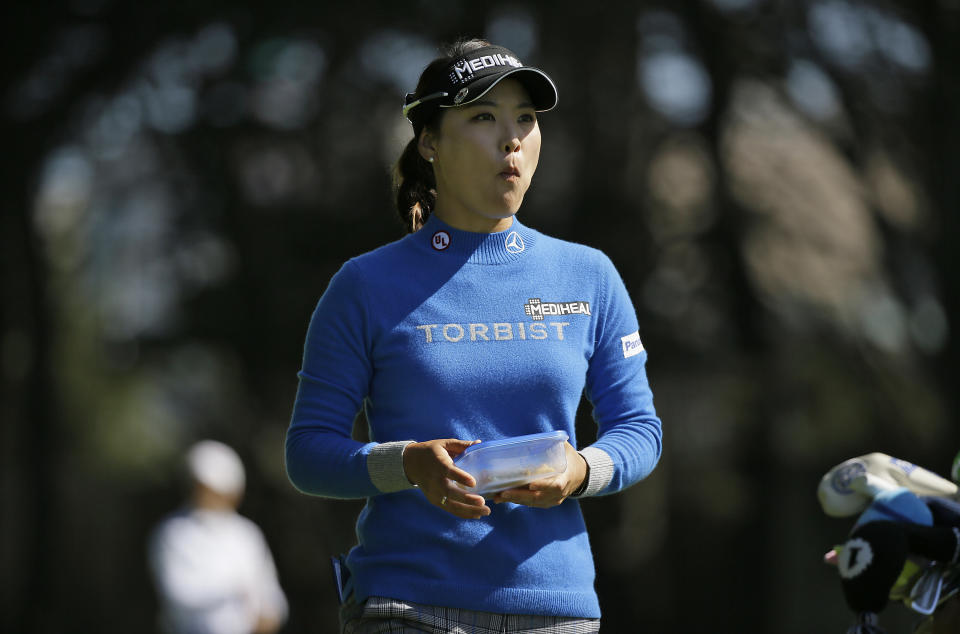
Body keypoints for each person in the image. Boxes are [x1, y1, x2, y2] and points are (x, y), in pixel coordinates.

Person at [285, 37, 663, 633]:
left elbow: (640, 429)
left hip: (556, 613)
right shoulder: (364, 285)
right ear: (429, 141)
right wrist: (408, 464)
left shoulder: (589, 275)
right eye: (482, 117)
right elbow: (308, 452)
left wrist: (581, 470)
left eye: (526, 119)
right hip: (405, 606)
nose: (511, 139)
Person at [148, 440, 289, 634]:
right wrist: (236, 588)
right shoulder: (172, 533)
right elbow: (180, 593)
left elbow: (271, 595)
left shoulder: (247, 534)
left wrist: (270, 613)